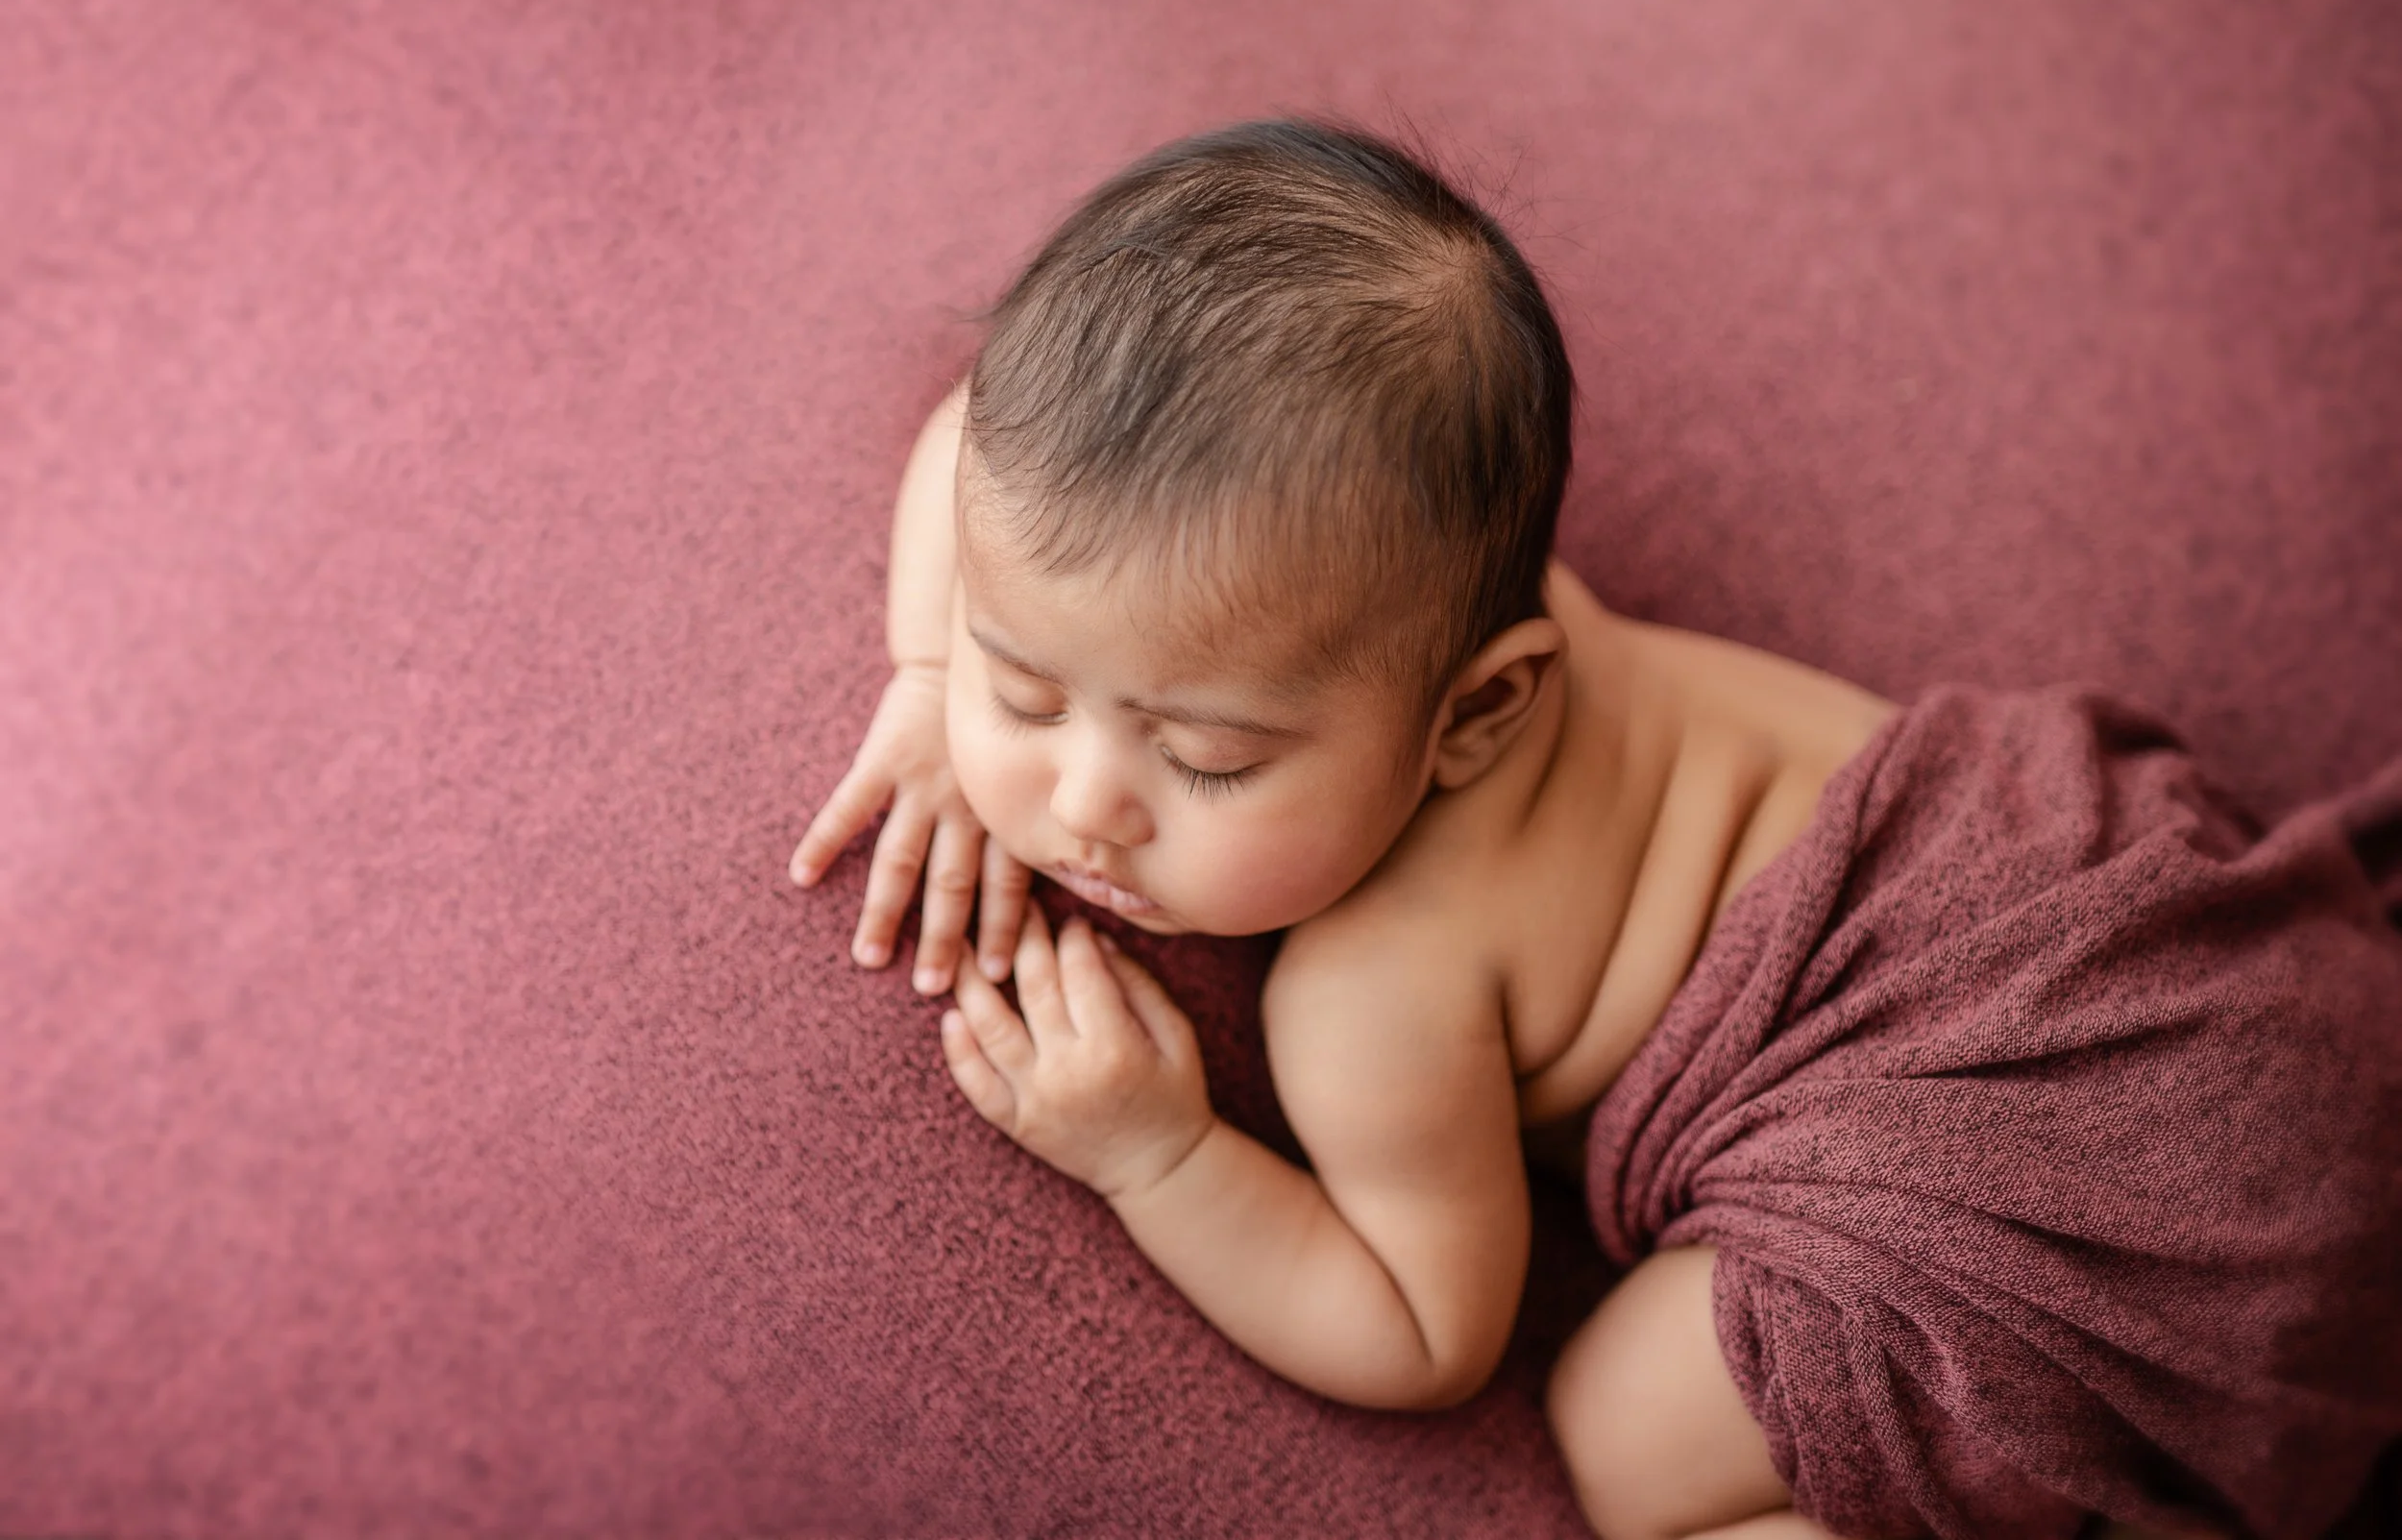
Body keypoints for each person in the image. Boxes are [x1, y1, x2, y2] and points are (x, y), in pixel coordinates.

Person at [789, 117, 2402, 1540]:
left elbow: (1425, 1332)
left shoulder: (1372, 988)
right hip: (2192, 952)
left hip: (1994, 1163)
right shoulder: (1396, 583)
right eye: (1030, 691)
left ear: (1480, 711)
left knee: (1623, 1447)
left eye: (1206, 761)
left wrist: (1162, 1153)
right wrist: (934, 673)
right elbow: (973, 445)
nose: (1083, 806)